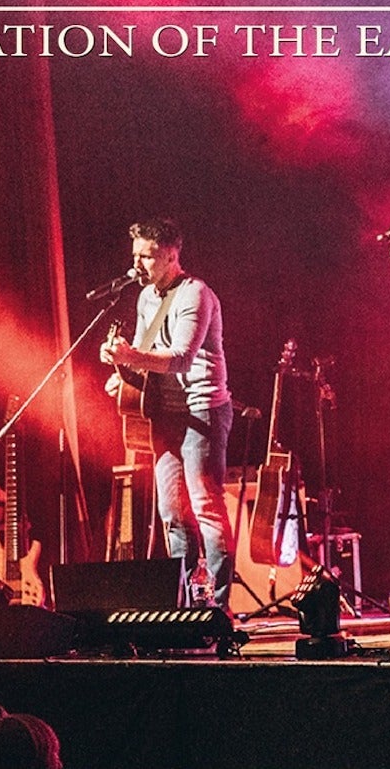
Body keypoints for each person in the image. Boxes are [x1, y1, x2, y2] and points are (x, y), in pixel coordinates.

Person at [100, 218, 234, 608]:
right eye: (135, 255)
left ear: (172, 256)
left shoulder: (195, 294)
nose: (137, 264)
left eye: (147, 256)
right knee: (172, 512)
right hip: (165, 413)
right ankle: (188, 605)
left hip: (202, 410)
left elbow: (180, 359)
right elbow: (145, 354)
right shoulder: (146, 297)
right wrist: (120, 372)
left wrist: (130, 356)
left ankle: (217, 606)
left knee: (206, 507)